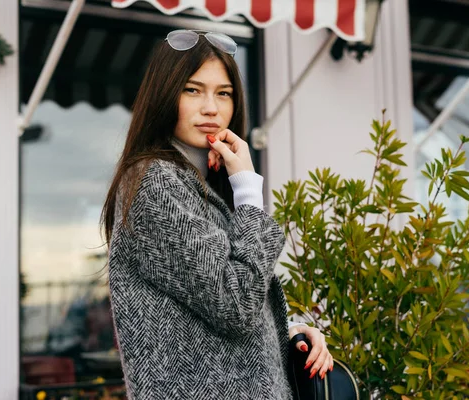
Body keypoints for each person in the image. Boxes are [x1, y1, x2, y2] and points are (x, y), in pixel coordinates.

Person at [100, 30, 333, 399]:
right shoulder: (155, 182)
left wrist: (289, 330)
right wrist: (247, 188)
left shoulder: (199, 185)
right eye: (192, 90)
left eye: (223, 93)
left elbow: (220, 302)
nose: (211, 107)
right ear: (165, 94)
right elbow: (235, 305)